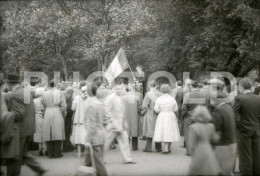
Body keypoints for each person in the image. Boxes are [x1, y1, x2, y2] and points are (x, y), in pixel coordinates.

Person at [2, 74, 45, 176]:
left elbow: (19, 114)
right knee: (23, 152)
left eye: (6, 82)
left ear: (9, 83)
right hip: (28, 127)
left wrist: (5, 115)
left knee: (15, 156)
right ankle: (38, 169)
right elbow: (31, 109)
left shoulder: (15, 94)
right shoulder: (25, 92)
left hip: (19, 129)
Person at [101, 85, 136, 164]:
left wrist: (124, 122)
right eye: (117, 89)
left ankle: (127, 159)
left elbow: (122, 112)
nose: (119, 90)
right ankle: (100, 159)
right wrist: (111, 120)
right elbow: (106, 109)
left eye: (121, 89)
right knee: (106, 142)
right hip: (113, 125)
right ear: (114, 89)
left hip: (120, 124)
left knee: (125, 141)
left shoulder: (121, 97)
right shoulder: (111, 97)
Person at [233, 78, 260, 175]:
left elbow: (234, 114)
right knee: (256, 152)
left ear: (241, 87)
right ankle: (256, 171)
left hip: (244, 129)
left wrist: (239, 125)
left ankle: (246, 173)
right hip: (256, 128)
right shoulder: (258, 98)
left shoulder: (240, 98)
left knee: (245, 153)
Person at [210, 90, 237, 175]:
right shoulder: (229, 108)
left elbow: (216, 130)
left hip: (223, 145)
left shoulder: (218, 110)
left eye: (211, 99)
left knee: (220, 170)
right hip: (232, 142)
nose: (210, 101)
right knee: (228, 171)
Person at [188, 106, 220, 175]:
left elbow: (191, 145)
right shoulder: (211, 126)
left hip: (199, 150)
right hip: (209, 150)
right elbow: (215, 139)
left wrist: (191, 153)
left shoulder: (193, 127)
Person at [84, 83, 108, 176]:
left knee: (98, 164)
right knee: (90, 162)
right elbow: (105, 120)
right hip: (101, 133)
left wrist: (88, 139)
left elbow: (91, 124)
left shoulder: (91, 105)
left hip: (94, 136)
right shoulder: (100, 103)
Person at [41, 79, 67, 158]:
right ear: (56, 85)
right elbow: (64, 106)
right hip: (57, 111)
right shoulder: (60, 93)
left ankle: (50, 153)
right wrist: (63, 113)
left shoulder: (44, 94)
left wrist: (43, 113)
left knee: (48, 132)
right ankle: (57, 153)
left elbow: (42, 106)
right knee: (57, 131)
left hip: (48, 111)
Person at [153, 84, 181, 154]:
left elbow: (156, 109)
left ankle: (165, 148)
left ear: (161, 90)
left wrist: (160, 111)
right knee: (170, 131)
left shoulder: (159, 99)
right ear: (169, 90)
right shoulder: (172, 99)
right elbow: (176, 109)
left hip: (162, 115)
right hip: (170, 115)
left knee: (163, 131)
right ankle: (168, 147)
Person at [182, 81, 206, 155]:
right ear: (198, 87)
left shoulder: (187, 95)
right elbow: (204, 106)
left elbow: (184, 107)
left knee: (188, 133)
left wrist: (184, 115)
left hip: (189, 116)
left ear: (191, 87)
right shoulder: (202, 95)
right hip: (199, 116)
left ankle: (189, 151)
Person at [142, 81, 162, 152]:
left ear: (149, 86)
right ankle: (158, 147)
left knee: (149, 129)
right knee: (158, 130)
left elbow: (144, 105)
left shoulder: (148, 94)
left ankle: (148, 147)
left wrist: (142, 111)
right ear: (156, 86)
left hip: (150, 113)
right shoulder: (160, 93)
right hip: (159, 114)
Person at [121, 85, 142, 151]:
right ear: (132, 90)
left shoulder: (122, 98)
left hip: (125, 116)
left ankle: (126, 147)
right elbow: (139, 108)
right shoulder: (137, 97)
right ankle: (135, 147)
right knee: (134, 131)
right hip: (134, 116)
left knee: (126, 132)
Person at [71, 86, 88, 157]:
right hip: (87, 119)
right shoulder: (89, 98)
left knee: (78, 136)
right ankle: (87, 152)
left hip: (78, 119)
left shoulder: (77, 98)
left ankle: (79, 153)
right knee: (86, 135)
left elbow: (72, 108)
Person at [33, 87, 46, 156]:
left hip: (37, 117)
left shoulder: (34, 101)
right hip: (44, 117)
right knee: (45, 131)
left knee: (38, 132)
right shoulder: (44, 100)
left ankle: (40, 148)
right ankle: (45, 147)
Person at [63, 86, 74, 152]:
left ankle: (67, 144)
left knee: (65, 131)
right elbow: (70, 107)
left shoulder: (64, 96)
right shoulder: (70, 97)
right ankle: (66, 147)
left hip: (64, 115)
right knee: (67, 131)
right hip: (68, 115)